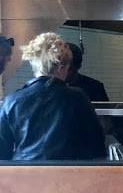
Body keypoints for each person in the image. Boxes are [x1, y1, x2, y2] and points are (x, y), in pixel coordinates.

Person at [0, 32, 105, 161]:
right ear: (61, 68)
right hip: (68, 170)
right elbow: (96, 146)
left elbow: (2, 152)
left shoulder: (11, 101)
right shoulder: (78, 97)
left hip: (25, 170)